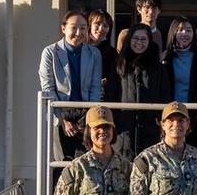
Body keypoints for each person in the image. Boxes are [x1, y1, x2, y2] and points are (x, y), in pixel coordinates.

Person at [39, 10, 103, 162]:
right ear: (63, 28)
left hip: (86, 111)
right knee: (63, 163)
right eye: (74, 27)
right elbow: (48, 88)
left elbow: (95, 87)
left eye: (83, 28)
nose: (78, 32)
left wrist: (90, 117)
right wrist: (62, 120)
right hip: (61, 111)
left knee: (87, 162)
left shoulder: (94, 53)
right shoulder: (50, 52)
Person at [107, 23, 170, 160]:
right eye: (135, 38)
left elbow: (164, 96)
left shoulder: (158, 68)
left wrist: (161, 121)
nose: (139, 43)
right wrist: (115, 119)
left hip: (150, 129)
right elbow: (111, 95)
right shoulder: (119, 65)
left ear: (149, 42)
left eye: (143, 39)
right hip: (123, 131)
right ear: (129, 40)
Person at [162, 16, 197, 105]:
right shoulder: (165, 57)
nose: (184, 33)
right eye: (180, 30)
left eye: (188, 30)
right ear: (173, 32)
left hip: (195, 109)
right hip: (171, 110)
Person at [88, 9, 118, 100]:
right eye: (97, 24)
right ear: (90, 25)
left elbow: (114, 78)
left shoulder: (112, 53)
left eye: (105, 26)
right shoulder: (81, 48)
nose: (101, 29)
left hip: (102, 97)